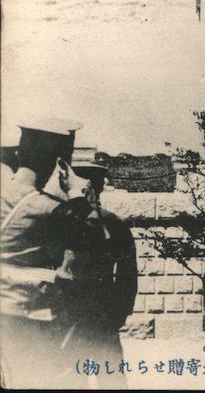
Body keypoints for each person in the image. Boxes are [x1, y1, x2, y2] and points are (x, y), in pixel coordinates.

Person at [0, 118, 92, 388]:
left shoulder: (7, 194)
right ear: (55, 162)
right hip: (26, 315)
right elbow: (87, 234)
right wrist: (78, 195)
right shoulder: (45, 208)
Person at [59, 158, 138, 389]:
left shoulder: (65, 221)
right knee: (110, 376)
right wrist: (122, 311)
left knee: (75, 376)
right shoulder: (115, 223)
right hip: (104, 311)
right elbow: (127, 275)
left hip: (75, 311)